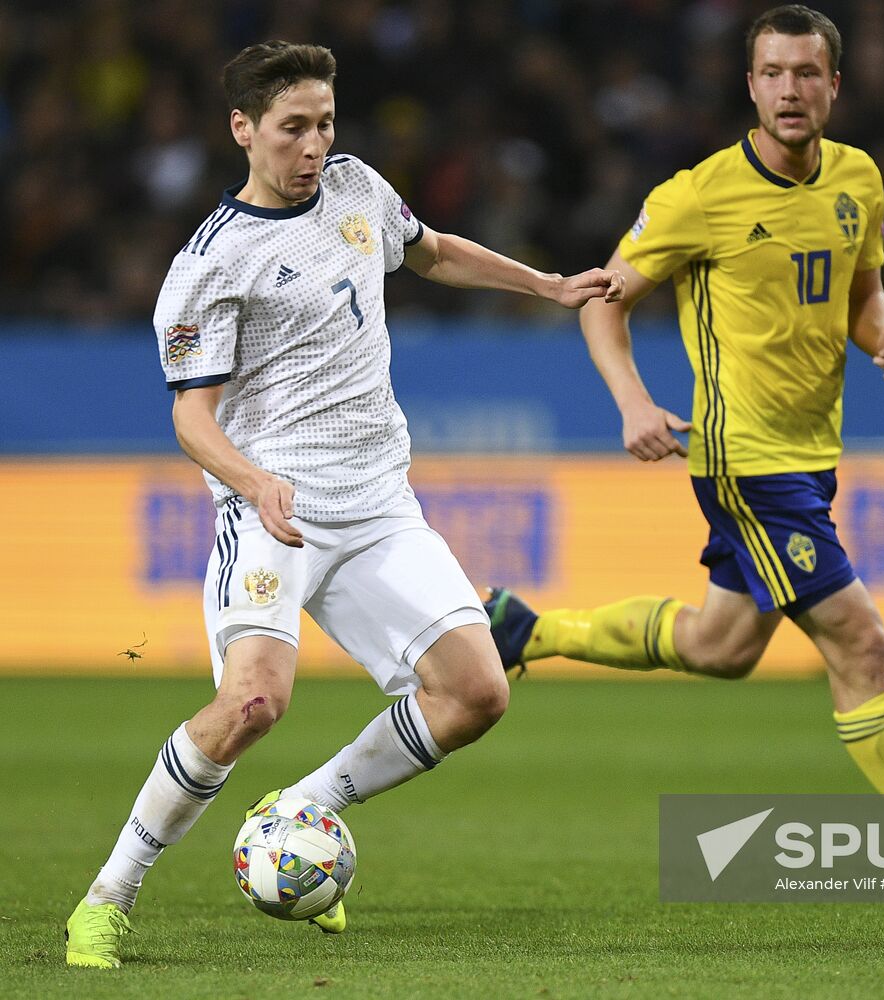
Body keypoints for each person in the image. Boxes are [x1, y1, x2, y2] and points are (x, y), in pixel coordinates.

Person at [64, 40, 624, 969]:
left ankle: (303, 804)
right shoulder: (211, 263)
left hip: (379, 503)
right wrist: (253, 481)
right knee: (250, 705)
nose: (314, 144)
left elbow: (433, 252)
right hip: (275, 507)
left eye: (324, 123)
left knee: (478, 693)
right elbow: (191, 421)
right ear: (243, 130)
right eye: (292, 128)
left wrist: (545, 284)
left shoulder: (359, 187)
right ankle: (107, 897)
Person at [484, 5, 884, 902]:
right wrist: (631, 401)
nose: (790, 89)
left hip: (812, 453)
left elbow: (862, 298)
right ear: (749, 86)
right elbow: (601, 298)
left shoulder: (858, 180)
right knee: (860, 643)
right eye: (773, 73)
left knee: (721, 646)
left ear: (835, 85)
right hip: (742, 461)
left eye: (806, 73)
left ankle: (525, 630)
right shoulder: (699, 195)